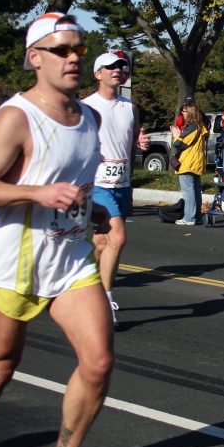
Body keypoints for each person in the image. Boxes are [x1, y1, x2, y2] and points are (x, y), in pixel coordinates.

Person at [0, 12, 114, 447]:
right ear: (35, 57)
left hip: (71, 262)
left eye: (79, 50)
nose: (73, 58)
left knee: (99, 362)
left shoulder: (92, 117)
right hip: (14, 265)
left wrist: (98, 209)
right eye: (62, 50)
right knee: (0, 369)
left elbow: (75, 184)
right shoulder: (15, 117)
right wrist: (35, 191)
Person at [83, 52, 147, 327]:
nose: (117, 71)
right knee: (118, 237)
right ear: (97, 74)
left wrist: (140, 143)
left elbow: (132, 140)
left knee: (101, 243)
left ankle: (83, 286)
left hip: (121, 183)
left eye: (121, 67)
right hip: (96, 183)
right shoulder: (86, 106)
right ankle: (104, 302)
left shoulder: (129, 107)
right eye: (110, 67)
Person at [169, 103, 207, 225]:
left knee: (188, 191)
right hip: (196, 160)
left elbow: (179, 144)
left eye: (184, 111)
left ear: (190, 112)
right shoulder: (200, 125)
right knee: (195, 190)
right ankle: (197, 217)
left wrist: (176, 136)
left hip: (188, 161)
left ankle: (189, 218)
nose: (183, 114)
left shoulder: (192, 127)